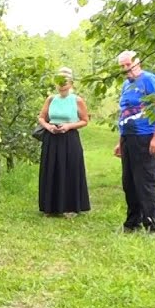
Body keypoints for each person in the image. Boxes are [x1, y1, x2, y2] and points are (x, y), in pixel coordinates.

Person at [113, 50, 155, 233]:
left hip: (146, 137)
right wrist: (120, 141)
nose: (125, 69)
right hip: (128, 138)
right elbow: (124, 113)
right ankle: (132, 223)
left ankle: (153, 226)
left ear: (137, 62)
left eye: (128, 64)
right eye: (122, 66)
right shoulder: (126, 85)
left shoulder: (149, 80)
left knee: (145, 183)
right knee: (129, 183)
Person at [37, 67, 91, 216]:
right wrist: (48, 126)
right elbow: (41, 117)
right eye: (59, 81)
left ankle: (70, 207)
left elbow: (85, 120)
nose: (62, 84)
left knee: (70, 169)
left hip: (69, 138)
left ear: (71, 82)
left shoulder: (77, 100)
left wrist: (68, 126)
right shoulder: (51, 99)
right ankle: (50, 206)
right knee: (51, 170)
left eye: (65, 81)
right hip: (52, 138)